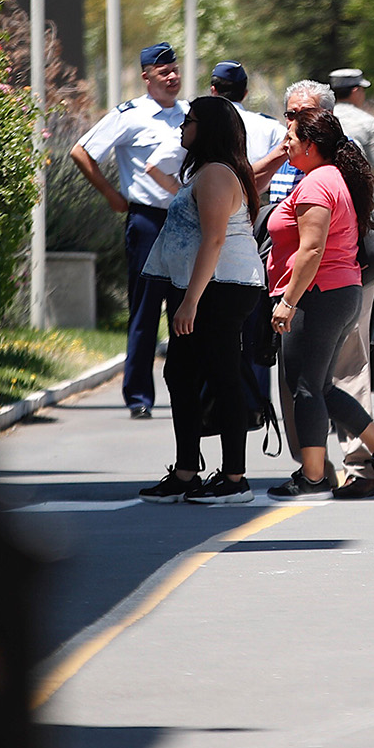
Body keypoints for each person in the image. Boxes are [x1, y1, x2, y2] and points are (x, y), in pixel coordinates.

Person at [264, 110, 374, 500]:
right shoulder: (330, 177)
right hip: (335, 292)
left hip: (318, 295)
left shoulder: (316, 184)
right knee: (317, 386)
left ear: (310, 145)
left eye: (292, 138)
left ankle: (313, 476)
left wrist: (288, 301)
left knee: (307, 388)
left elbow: (311, 250)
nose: (287, 144)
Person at [136, 97, 269, 505]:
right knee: (181, 374)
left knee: (223, 375)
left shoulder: (215, 175)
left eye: (188, 121)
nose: (181, 126)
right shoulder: (207, 173)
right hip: (204, 285)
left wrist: (190, 301)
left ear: (206, 129)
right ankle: (186, 472)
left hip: (221, 287)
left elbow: (214, 239)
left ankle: (234, 479)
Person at [71, 43, 186, 418]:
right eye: (163, 71)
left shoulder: (189, 114)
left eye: (175, 69)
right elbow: (82, 151)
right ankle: (139, 396)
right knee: (146, 309)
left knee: (187, 309)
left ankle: (189, 391)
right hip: (147, 221)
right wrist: (110, 194)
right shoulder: (130, 116)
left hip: (186, 221)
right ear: (146, 76)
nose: (172, 77)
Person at [330, 67, 374, 215]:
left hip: (328, 195)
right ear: (356, 91)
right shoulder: (368, 122)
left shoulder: (321, 118)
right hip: (360, 200)